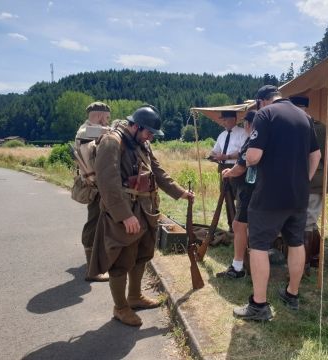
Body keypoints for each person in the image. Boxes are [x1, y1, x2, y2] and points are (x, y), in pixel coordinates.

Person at [88, 105, 194, 327]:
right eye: (148, 132)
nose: (151, 138)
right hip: (125, 211)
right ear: (135, 126)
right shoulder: (112, 142)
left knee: (142, 255)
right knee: (121, 260)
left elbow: (157, 171)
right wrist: (124, 215)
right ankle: (120, 307)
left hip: (145, 210)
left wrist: (180, 192)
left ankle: (134, 297)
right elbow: (108, 182)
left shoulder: (142, 143)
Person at [233, 85, 321, 321]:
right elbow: (316, 156)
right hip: (298, 195)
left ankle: (259, 305)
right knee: (295, 243)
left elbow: (253, 157)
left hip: (269, 195)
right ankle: (292, 294)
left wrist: (249, 156)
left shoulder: (265, 114)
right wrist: (305, 180)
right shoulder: (304, 117)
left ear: (262, 101)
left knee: (259, 246)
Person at [290, 96, 328, 276]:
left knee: (306, 224)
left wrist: (324, 182)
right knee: (308, 222)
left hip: (305, 183)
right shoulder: (318, 127)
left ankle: (305, 264)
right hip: (310, 182)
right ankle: (314, 257)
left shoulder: (312, 127)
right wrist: (325, 181)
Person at [75, 101, 111, 282]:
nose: (107, 121)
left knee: (101, 222)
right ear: (98, 115)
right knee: (94, 223)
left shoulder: (92, 130)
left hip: (100, 186)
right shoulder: (85, 131)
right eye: (106, 117)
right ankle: (92, 270)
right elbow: (95, 134)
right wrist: (115, 129)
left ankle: (98, 261)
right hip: (94, 186)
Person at [217, 110, 256, 279]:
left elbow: (241, 165)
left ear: (248, 124)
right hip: (259, 188)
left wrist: (229, 172)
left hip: (248, 187)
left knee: (239, 225)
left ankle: (238, 266)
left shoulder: (253, 140)